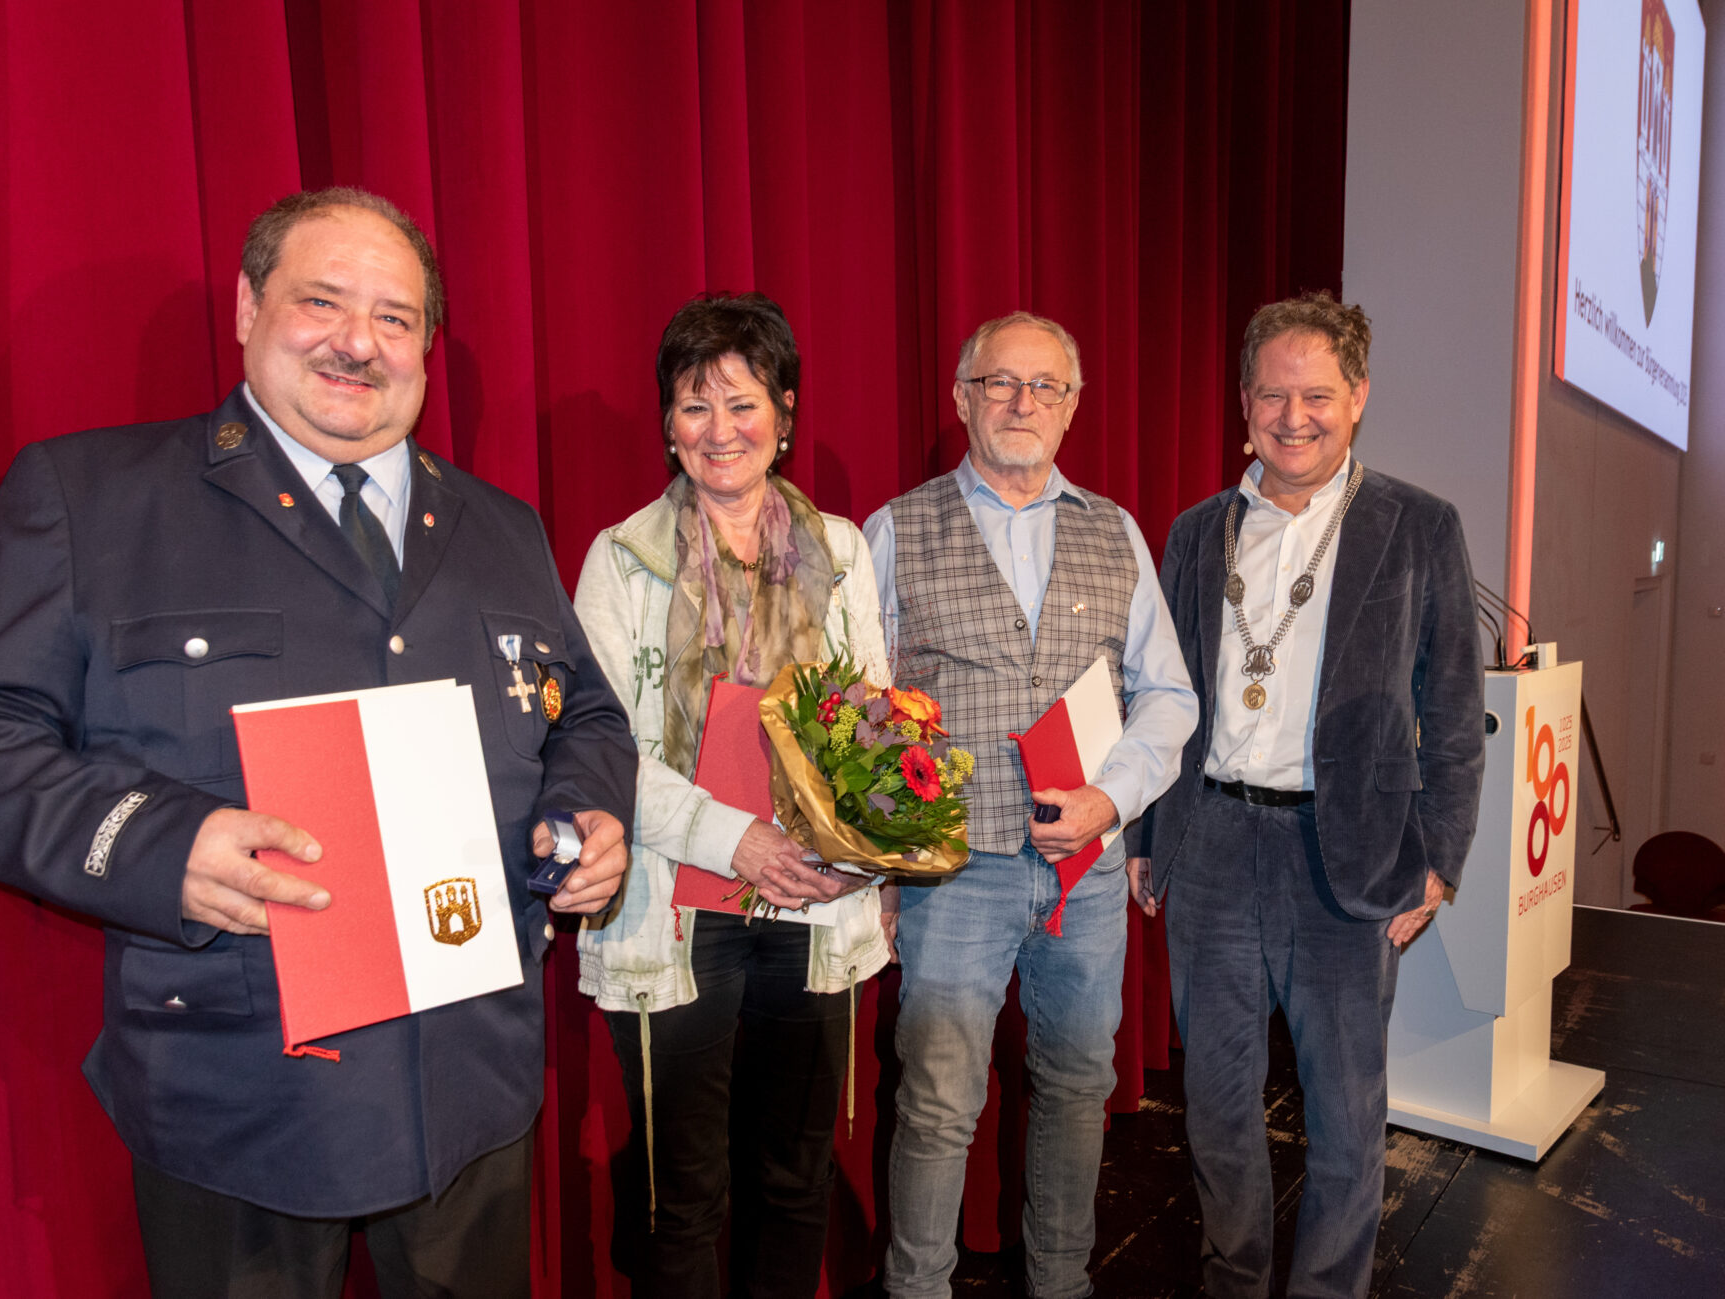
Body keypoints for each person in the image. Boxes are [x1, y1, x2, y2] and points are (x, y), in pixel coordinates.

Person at [0, 187, 637, 1297]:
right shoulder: (93, 499)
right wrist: (160, 847)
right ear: (250, 309)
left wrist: (591, 812)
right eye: (322, 301)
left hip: (472, 1091)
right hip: (239, 1096)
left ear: (428, 348)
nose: (359, 342)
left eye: (395, 319)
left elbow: (582, 713)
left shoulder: (505, 529)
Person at [1128, 292, 1485, 1298]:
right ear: (1245, 404)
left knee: (1343, 1111)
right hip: (1210, 853)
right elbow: (1167, 695)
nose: (1295, 416)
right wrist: (1153, 834)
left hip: (1350, 857)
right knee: (1218, 1107)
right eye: (1273, 396)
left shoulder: (1420, 526)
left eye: (1317, 395)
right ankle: (1232, 1281)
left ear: (1359, 398)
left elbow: (1453, 710)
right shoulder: (1198, 532)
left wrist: (1441, 858)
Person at [866, 311, 1198, 1298]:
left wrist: (1112, 797)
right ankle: (916, 1288)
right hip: (951, 874)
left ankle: (1062, 1283)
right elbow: (863, 703)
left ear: (1072, 408)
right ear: (963, 399)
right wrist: (884, 863)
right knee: (936, 1102)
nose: (1021, 403)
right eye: (999, 384)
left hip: (1082, 876)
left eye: (1043, 387)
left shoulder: (1116, 530)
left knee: (1076, 1085)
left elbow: (1169, 695)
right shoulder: (897, 527)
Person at [573, 291, 890, 1298]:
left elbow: (874, 718)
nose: (721, 430)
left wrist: (865, 851)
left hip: (811, 899)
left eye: (743, 403)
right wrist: (736, 839)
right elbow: (599, 750)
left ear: (785, 415)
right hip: (677, 903)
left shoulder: (840, 550)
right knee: (686, 1189)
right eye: (695, 405)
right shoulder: (621, 560)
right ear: (668, 424)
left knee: (794, 1174)